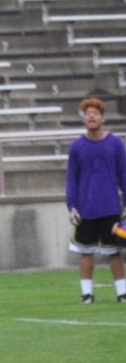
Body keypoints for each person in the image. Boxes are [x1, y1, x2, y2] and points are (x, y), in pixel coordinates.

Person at [64, 95, 126, 304]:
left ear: (103, 118)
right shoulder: (76, 147)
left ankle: (122, 293)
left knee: (114, 252)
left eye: (95, 113)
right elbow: (72, 179)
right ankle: (87, 294)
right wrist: (72, 206)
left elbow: (124, 175)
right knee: (86, 252)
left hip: (110, 208)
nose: (91, 117)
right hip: (86, 209)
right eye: (87, 113)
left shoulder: (115, 144)